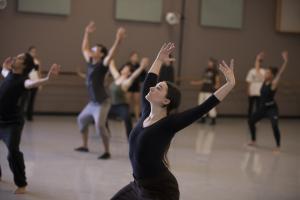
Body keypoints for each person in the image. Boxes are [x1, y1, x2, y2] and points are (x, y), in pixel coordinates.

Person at [111, 42, 236, 200]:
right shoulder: (146, 112)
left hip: (159, 191)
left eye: (159, 88)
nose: (152, 88)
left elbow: (203, 107)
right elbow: (148, 82)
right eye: (156, 86)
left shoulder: (168, 124)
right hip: (138, 186)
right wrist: (159, 59)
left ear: (166, 101)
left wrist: (229, 84)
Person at [0, 54, 60, 194]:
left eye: (20, 58)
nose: (16, 58)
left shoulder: (23, 81)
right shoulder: (8, 74)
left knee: (13, 152)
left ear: (25, 66)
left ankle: (22, 184)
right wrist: (4, 66)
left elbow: (32, 84)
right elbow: (4, 70)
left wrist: (47, 78)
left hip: (12, 123)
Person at [74, 21, 126, 159]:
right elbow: (84, 48)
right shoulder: (90, 61)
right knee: (81, 120)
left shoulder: (103, 64)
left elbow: (111, 55)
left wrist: (118, 40)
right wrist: (86, 32)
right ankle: (85, 146)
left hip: (103, 102)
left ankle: (107, 151)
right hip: (92, 103)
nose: (92, 49)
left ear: (101, 54)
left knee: (100, 126)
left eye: (96, 49)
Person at [248, 51, 288, 153]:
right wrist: (258, 59)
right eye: (266, 72)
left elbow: (280, 74)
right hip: (262, 108)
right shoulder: (264, 80)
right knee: (251, 121)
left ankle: (278, 146)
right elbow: (257, 70)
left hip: (271, 108)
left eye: (268, 72)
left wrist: (285, 61)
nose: (265, 73)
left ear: (272, 75)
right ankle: (253, 140)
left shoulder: (273, 83)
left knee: (274, 125)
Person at [108, 58, 149, 138]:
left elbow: (134, 76)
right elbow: (112, 67)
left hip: (122, 105)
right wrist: (111, 58)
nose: (124, 69)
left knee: (127, 120)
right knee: (102, 116)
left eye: (126, 69)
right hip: (111, 104)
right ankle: (106, 132)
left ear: (129, 72)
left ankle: (130, 137)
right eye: (124, 68)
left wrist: (141, 67)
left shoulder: (127, 81)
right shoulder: (117, 77)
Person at [190, 58, 220, 125]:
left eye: (210, 62)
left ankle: (213, 119)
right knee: (201, 104)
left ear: (213, 63)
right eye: (208, 62)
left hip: (209, 91)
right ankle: (202, 118)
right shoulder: (206, 70)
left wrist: (217, 87)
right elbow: (203, 80)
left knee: (210, 105)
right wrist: (195, 83)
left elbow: (217, 81)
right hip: (203, 90)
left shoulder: (215, 71)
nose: (209, 63)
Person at [21, 46, 42, 121]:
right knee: (24, 99)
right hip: (27, 82)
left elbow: (39, 72)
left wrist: (40, 84)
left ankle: (29, 116)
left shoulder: (37, 61)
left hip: (35, 82)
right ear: (29, 52)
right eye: (32, 51)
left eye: (35, 52)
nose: (34, 53)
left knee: (31, 100)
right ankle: (21, 115)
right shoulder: (26, 61)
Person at [125, 52, 147, 120]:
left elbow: (144, 75)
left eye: (136, 56)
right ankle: (126, 117)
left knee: (136, 103)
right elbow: (122, 72)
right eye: (134, 56)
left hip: (136, 86)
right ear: (131, 57)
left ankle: (137, 118)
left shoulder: (139, 66)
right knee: (127, 103)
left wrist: (140, 81)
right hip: (128, 86)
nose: (135, 58)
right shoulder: (127, 65)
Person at [246, 52, 266, 118]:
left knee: (258, 106)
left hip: (260, 92)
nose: (258, 63)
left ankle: (256, 117)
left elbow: (264, 81)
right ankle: (249, 118)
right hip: (252, 91)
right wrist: (248, 91)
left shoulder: (264, 71)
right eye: (257, 62)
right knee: (250, 106)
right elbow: (248, 81)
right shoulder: (251, 71)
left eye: (259, 62)